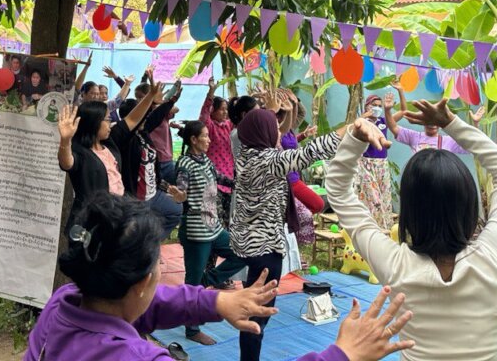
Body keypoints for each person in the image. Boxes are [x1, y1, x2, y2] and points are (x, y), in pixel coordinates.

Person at [24, 192, 413, 361]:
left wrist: (214, 301)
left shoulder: (65, 303)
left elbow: (148, 303)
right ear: (141, 283)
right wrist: (341, 354)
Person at [325, 98, 497, 361]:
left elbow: (339, 192)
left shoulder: (395, 265)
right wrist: (451, 123)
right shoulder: (495, 255)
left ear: (410, 211)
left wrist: (354, 140)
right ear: (468, 205)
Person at [230, 108, 344, 361]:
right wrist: (348, 129)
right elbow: (308, 154)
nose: (279, 133)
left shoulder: (246, 154)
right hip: (264, 247)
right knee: (257, 316)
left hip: (252, 244)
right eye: (274, 129)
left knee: (254, 309)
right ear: (263, 133)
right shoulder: (265, 161)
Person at [174, 121, 245, 345]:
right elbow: (181, 188)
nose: (209, 139)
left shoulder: (205, 160)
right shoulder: (185, 164)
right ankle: (192, 330)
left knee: (242, 252)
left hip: (213, 227)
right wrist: (179, 194)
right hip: (196, 232)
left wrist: (239, 183)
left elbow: (219, 178)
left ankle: (206, 280)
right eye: (205, 136)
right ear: (193, 140)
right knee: (192, 282)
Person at [108, 83, 182, 236]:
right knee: (134, 231)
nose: (145, 118)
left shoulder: (144, 131)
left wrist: (171, 100)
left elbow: (156, 116)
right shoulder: (123, 138)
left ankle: (151, 242)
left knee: (175, 210)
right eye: (141, 114)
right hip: (135, 198)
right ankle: (142, 245)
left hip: (153, 194)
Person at [58, 99, 125, 227]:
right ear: (94, 122)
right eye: (107, 119)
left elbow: (132, 121)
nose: (110, 123)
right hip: (90, 221)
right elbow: (67, 163)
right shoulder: (80, 151)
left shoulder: (107, 144)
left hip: (115, 212)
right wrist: (65, 140)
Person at [384, 91, 485, 154]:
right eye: (429, 120)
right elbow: (394, 127)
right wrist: (387, 110)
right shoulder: (414, 136)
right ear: (423, 121)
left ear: (440, 124)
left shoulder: (448, 141)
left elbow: (471, 145)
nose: (432, 124)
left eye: (435, 121)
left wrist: (475, 123)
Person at [199, 79, 235, 224]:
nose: (225, 112)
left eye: (226, 109)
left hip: (229, 179)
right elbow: (204, 114)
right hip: (213, 180)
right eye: (222, 109)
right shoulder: (209, 127)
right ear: (212, 110)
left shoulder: (229, 126)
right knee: (216, 220)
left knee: (229, 220)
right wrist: (211, 92)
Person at [354, 95, 392, 229]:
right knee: (373, 197)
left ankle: (385, 228)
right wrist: (366, 115)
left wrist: (388, 108)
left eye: (379, 106)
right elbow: (355, 125)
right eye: (374, 105)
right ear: (367, 106)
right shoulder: (362, 121)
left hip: (382, 163)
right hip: (366, 163)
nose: (377, 108)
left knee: (385, 196)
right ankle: (372, 226)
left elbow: (403, 112)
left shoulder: (383, 121)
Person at [228, 95, 258, 161]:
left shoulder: (248, 132)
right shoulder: (238, 134)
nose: (260, 116)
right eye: (256, 113)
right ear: (244, 115)